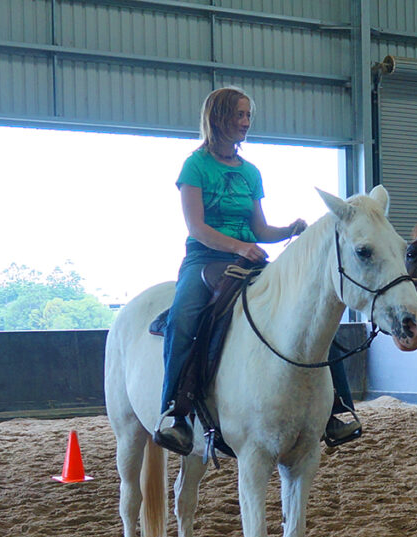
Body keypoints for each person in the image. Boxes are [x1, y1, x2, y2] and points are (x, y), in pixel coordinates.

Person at [154, 86, 361, 454]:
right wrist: (238, 246)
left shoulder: (250, 173)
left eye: (248, 115)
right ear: (218, 118)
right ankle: (176, 412)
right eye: (239, 115)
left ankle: (337, 408)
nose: (246, 122)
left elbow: (260, 229)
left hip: (249, 258)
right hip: (205, 259)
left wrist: (289, 230)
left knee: (310, 314)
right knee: (183, 318)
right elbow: (196, 228)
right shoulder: (195, 166)